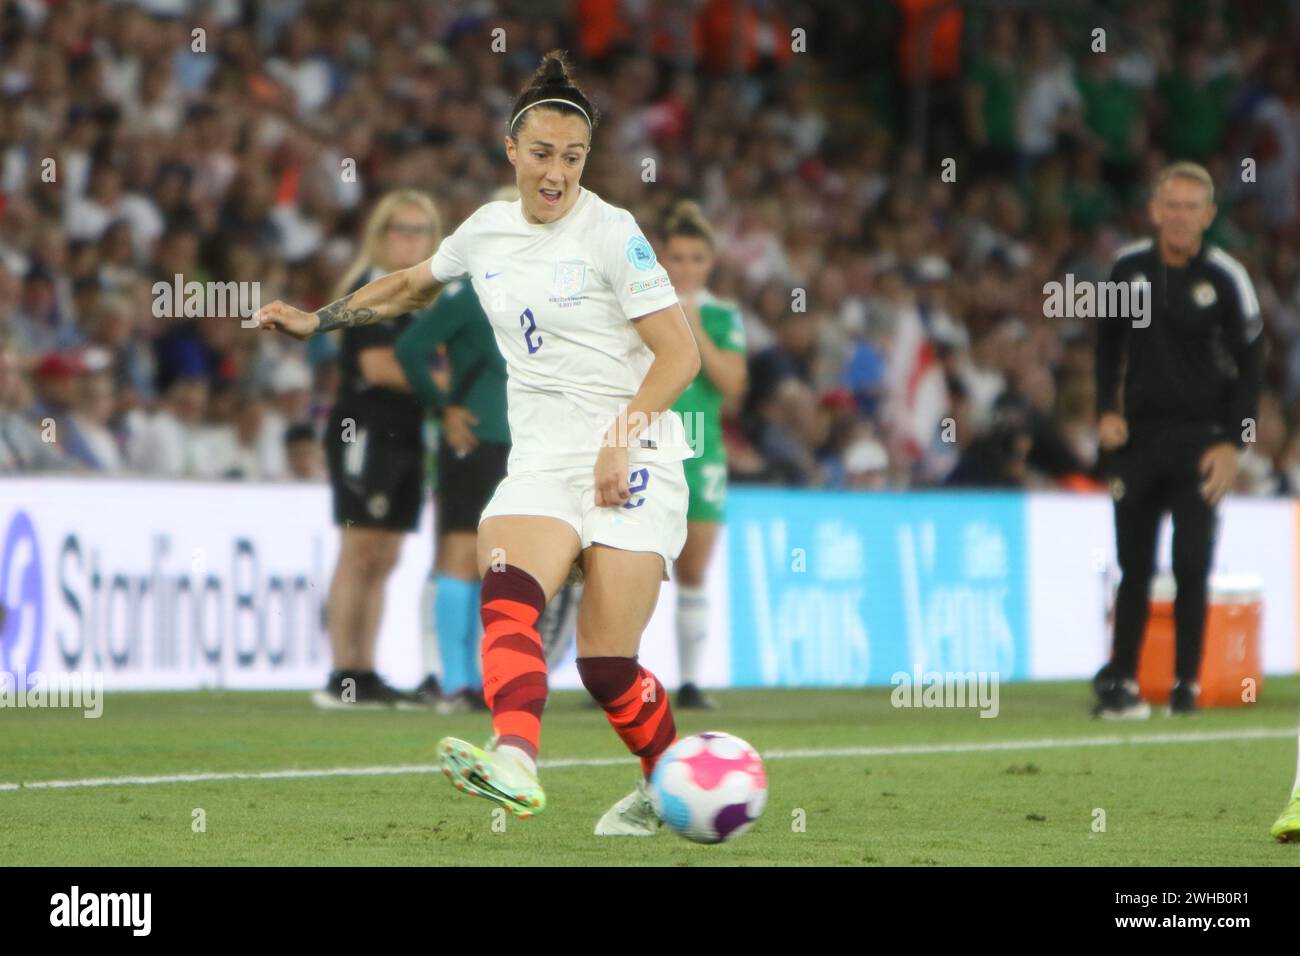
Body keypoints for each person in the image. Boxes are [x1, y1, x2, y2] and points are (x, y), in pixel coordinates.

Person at [255, 51, 701, 835]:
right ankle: (515, 760)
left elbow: (681, 353)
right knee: (507, 588)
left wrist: (621, 439)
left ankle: (664, 780)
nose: (556, 172)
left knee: (605, 667)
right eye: (542, 155)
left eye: (573, 157)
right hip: (539, 462)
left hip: (636, 454)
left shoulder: (614, 234)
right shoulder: (487, 231)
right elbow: (406, 285)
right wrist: (317, 318)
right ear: (512, 152)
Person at [1092, 161, 1263, 718]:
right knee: (1132, 565)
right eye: (1173, 204)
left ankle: (1186, 683)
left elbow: (1252, 362)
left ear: (1209, 215)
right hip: (1138, 439)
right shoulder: (1127, 269)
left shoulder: (1225, 277)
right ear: (1154, 210)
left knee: (1192, 562)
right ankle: (1120, 681)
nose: (1181, 216)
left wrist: (1235, 444)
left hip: (1202, 441)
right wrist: (1104, 410)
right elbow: (1105, 345)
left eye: (1193, 207)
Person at [314, 190, 441, 710]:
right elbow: (378, 368)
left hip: (406, 433)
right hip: (364, 430)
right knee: (360, 549)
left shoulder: (418, 295)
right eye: (401, 230)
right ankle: (344, 671)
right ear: (381, 236)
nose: (411, 240)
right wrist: (450, 384)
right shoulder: (371, 289)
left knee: (384, 555)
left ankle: (364, 670)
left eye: (421, 231)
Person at [393, 189, 514, 714]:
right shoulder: (470, 295)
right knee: (461, 557)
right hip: (476, 442)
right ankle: (457, 682)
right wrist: (444, 407)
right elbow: (410, 348)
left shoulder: (545, 297)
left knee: (502, 564)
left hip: (524, 446)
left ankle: (486, 679)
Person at [659, 200, 748, 709]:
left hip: (701, 451)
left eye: (696, 258)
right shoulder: (640, 308)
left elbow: (731, 384)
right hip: (648, 443)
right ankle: (612, 673)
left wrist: (691, 321)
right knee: (629, 565)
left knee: (693, 569)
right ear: (662, 259)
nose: (686, 267)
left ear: (710, 262)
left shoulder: (721, 314)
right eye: (677, 257)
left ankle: (690, 683)